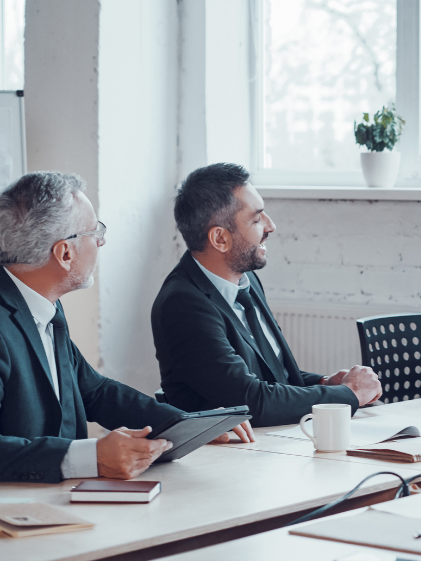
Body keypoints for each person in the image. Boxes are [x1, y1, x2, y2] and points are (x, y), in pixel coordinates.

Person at [0, 171, 242, 483]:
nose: (101, 241)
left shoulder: (42, 303)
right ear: (64, 253)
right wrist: (89, 458)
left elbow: (95, 392)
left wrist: (189, 425)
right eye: (93, 232)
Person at [151, 163, 381, 427]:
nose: (271, 226)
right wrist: (348, 394)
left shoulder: (245, 279)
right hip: (230, 454)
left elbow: (273, 375)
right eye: (257, 218)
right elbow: (252, 401)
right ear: (220, 239)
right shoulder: (183, 305)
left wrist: (324, 383)